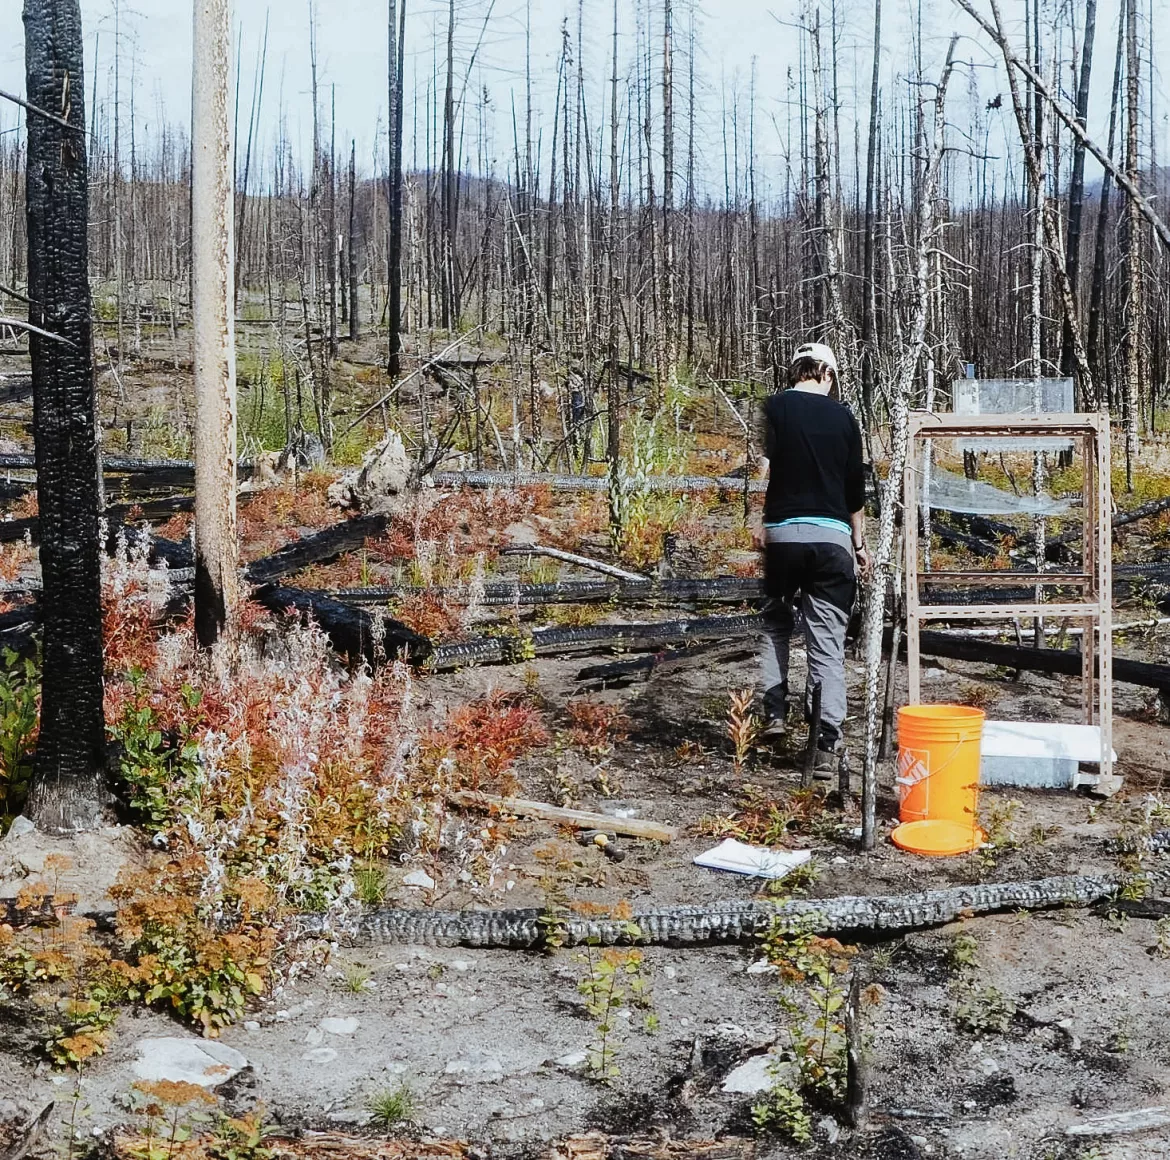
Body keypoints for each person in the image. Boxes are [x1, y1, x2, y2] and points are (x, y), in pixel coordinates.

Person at [756, 341, 870, 773]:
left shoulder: (776, 409)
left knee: (774, 625)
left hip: (783, 537)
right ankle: (824, 743)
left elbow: (760, 468)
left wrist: (757, 522)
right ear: (825, 372)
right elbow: (854, 492)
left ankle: (774, 713)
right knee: (826, 644)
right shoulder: (844, 418)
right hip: (832, 541)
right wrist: (859, 546)